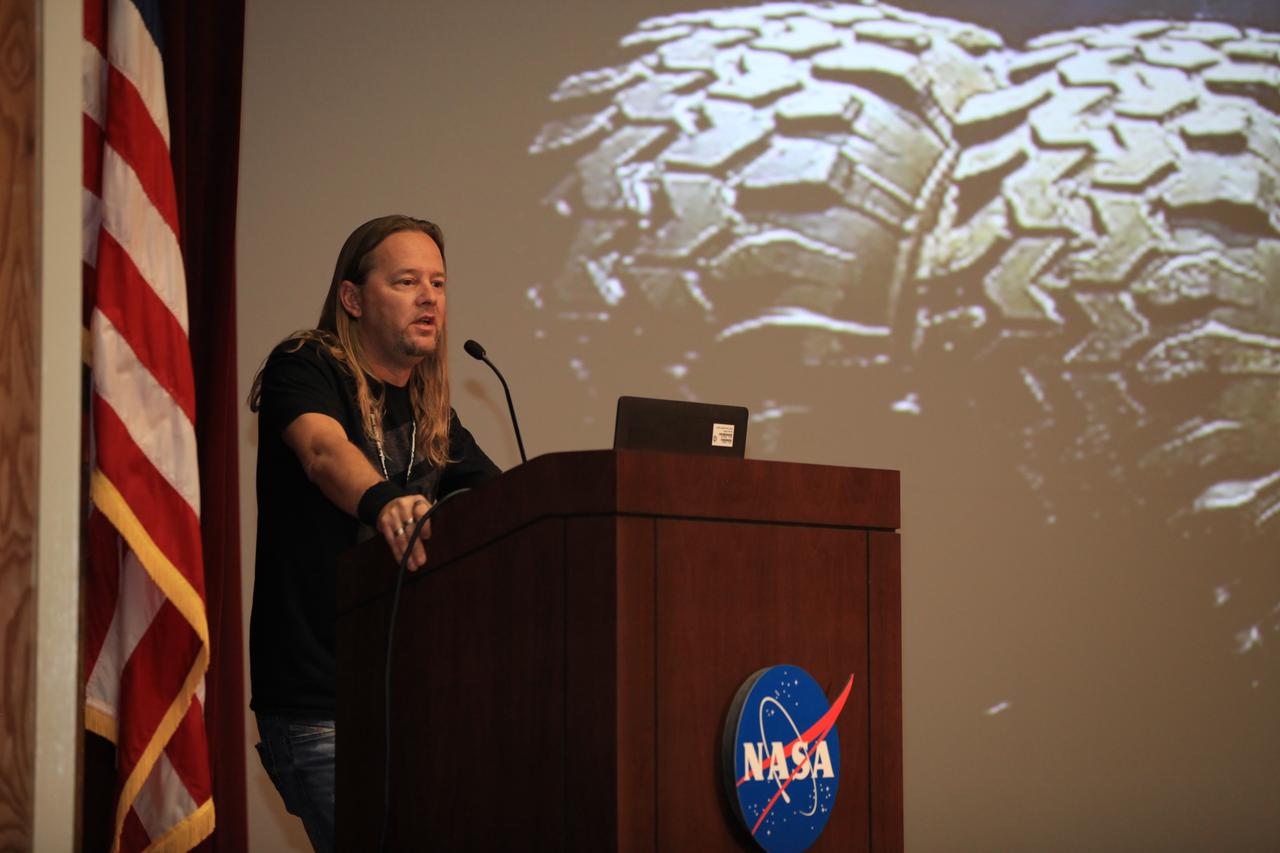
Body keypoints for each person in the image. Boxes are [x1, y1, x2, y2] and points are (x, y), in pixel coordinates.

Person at [246, 215, 500, 852]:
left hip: (412, 698)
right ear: (353, 299)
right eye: (408, 281)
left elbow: (504, 500)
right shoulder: (304, 365)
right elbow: (324, 452)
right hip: (321, 703)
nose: (429, 297)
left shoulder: (430, 411)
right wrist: (386, 501)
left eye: (438, 283)